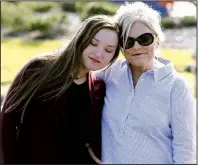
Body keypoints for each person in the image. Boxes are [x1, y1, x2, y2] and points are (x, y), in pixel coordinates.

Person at [0, 15, 120, 164]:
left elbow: (90, 144)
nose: (98, 54)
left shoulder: (98, 89)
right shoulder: (39, 68)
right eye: (93, 43)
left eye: (108, 50)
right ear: (81, 39)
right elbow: (7, 120)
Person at [94, 2, 196, 164]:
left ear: (157, 39)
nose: (136, 47)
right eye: (128, 41)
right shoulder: (109, 74)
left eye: (144, 39)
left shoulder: (177, 87)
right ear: (120, 46)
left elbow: (185, 151)